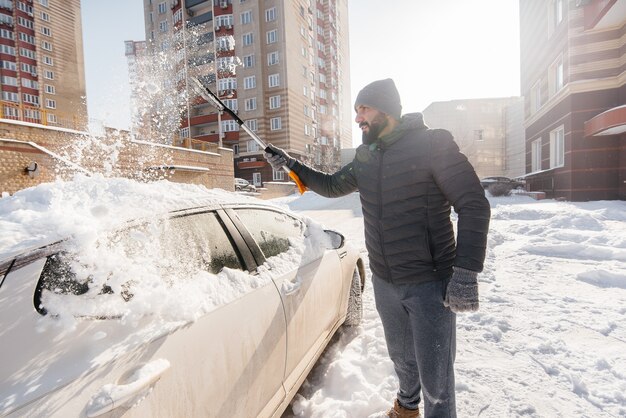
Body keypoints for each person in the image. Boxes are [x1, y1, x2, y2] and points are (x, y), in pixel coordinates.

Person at [265, 78, 490, 418]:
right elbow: (330, 185)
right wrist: (291, 165)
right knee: (401, 359)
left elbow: (473, 204)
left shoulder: (432, 144)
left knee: (437, 380)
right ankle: (407, 408)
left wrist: (466, 273)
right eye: (356, 111)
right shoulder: (366, 157)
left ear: (386, 109)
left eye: (364, 109)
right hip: (385, 281)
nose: (358, 118)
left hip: (430, 284)